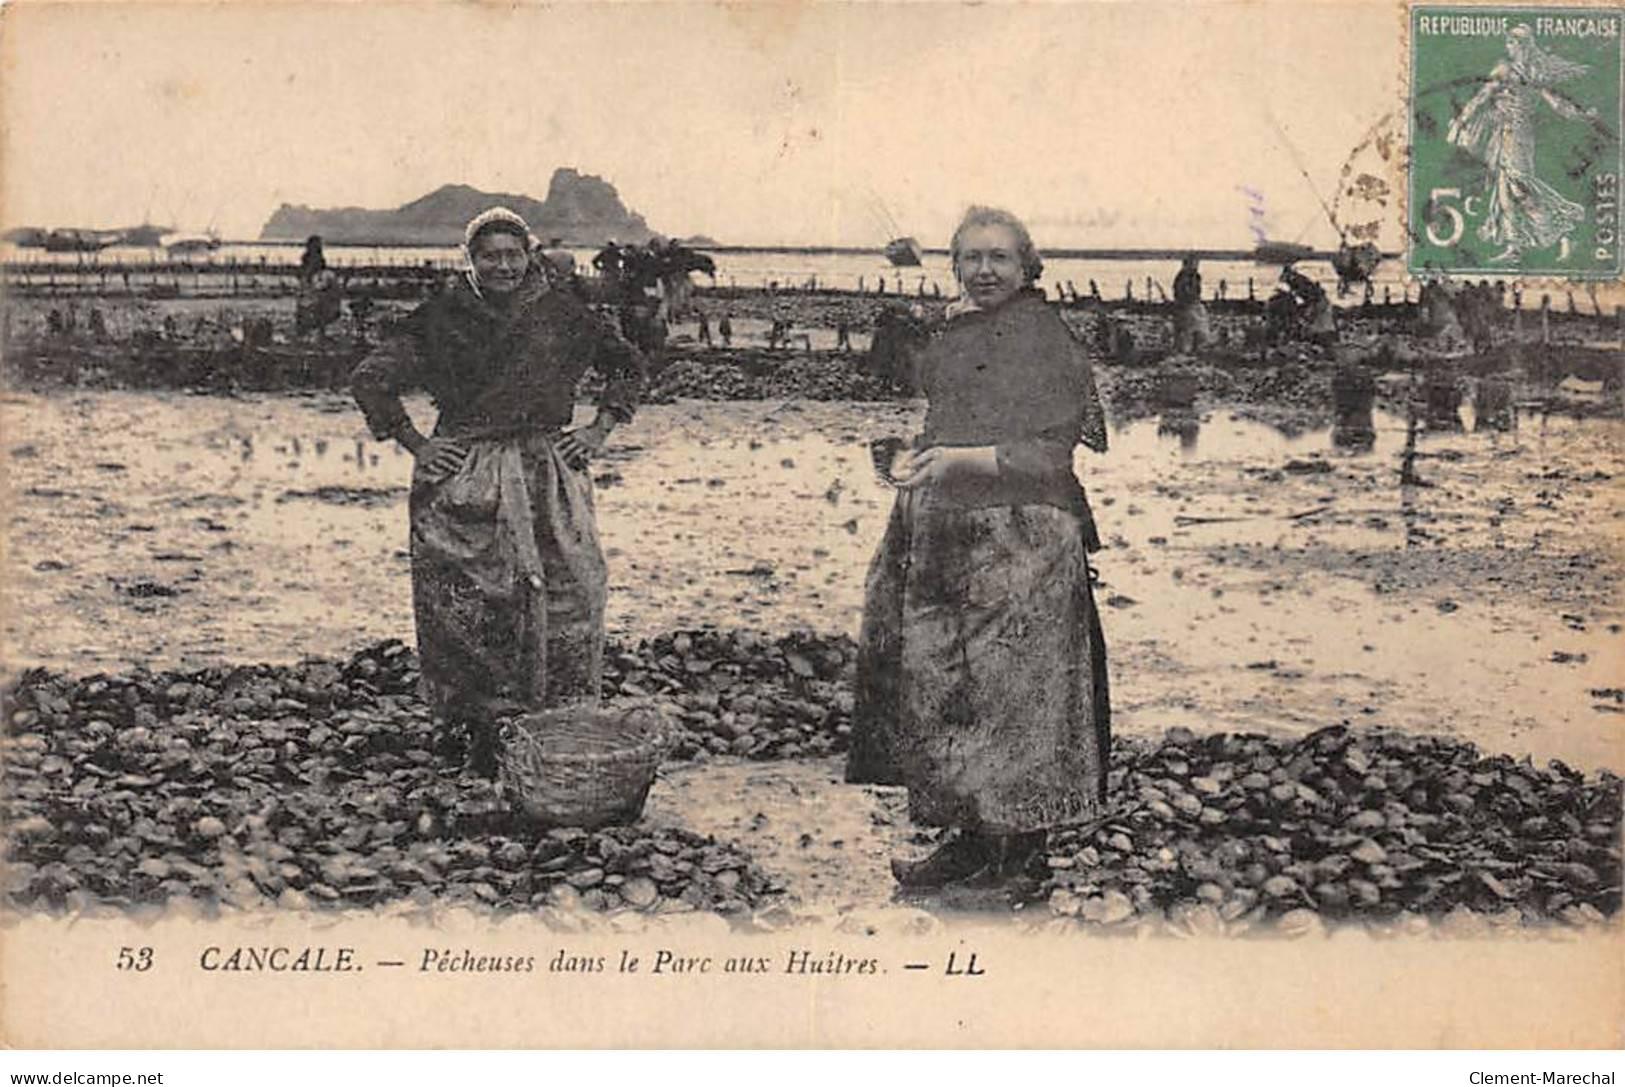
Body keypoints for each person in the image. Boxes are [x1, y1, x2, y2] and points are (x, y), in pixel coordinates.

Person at [846, 206, 1111, 889]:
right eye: (972, 258)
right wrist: (917, 461)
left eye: (999, 257)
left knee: (1016, 693)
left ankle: (1022, 854)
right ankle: (965, 839)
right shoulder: (959, 333)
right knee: (944, 685)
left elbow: (1052, 455)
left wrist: (957, 462)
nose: (984, 269)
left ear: (1027, 267)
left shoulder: (1044, 339)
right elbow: (946, 422)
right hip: (944, 528)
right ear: (955, 266)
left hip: (1024, 534)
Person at [350, 207, 646, 777]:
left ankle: (561, 723)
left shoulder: (564, 312)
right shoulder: (442, 317)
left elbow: (628, 365)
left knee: (572, 589)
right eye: (491, 256)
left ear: (530, 255)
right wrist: (417, 443)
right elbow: (371, 377)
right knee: (472, 602)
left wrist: (600, 429)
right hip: (468, 472)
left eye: (513, 254)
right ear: (472, 261)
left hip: (546, 471)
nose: (503, 266)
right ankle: (476, 731)